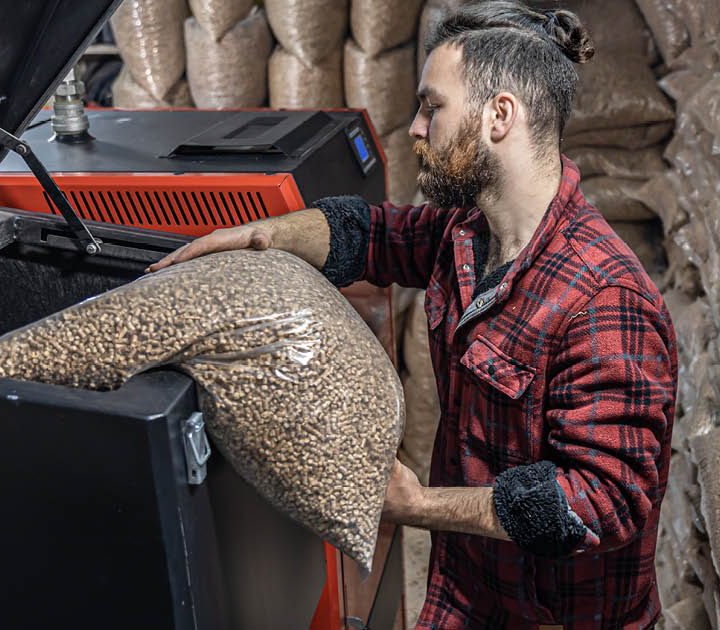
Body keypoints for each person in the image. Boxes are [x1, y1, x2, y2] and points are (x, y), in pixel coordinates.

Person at [148, 2, 677, 627]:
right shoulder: (468, 231)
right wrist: (263, 236)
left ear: (498, 116)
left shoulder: (605, 299)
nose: (414, 128)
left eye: (432, 106)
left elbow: (601, 502)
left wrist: (418, 503)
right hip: (469, 590)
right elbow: (375, 234)